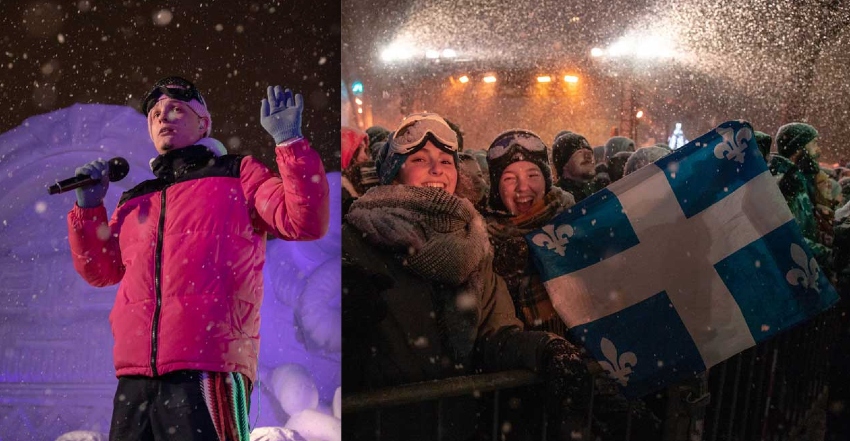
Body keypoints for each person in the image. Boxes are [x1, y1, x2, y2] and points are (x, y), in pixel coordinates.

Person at [66, 76, 330, 441]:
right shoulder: (136, 198)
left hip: (208, 366)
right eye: (156, 113)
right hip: (137, 376)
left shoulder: (237, 174)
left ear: (203, 123)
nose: (164, 117)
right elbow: (99, 270)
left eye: (177, 109)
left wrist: (290, 143)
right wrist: (88, 206)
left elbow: (303, 221)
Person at [342, 113, 592, 440]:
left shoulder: (473, 243)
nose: (436, 169)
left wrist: (543, 349)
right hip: (380, 425)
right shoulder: (355, 240)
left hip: (456, 423)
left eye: (446, 161)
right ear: (393, 174)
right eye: (419, 159)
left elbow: (496, 334)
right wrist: (344, 327)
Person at [767, 122, 833, 278]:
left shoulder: (798, 181)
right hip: (794, 274)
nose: (819, 150)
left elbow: (804, 226)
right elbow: (787, 236)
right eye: (814, 143)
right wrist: (829, 255)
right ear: (798, 149)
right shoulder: (785, 184)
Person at [552, 131, 598, 203]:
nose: (588, 157)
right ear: (564, 163)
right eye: (580, 152)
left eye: (590, 152)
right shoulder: (554, 199)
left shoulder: (599, 189)